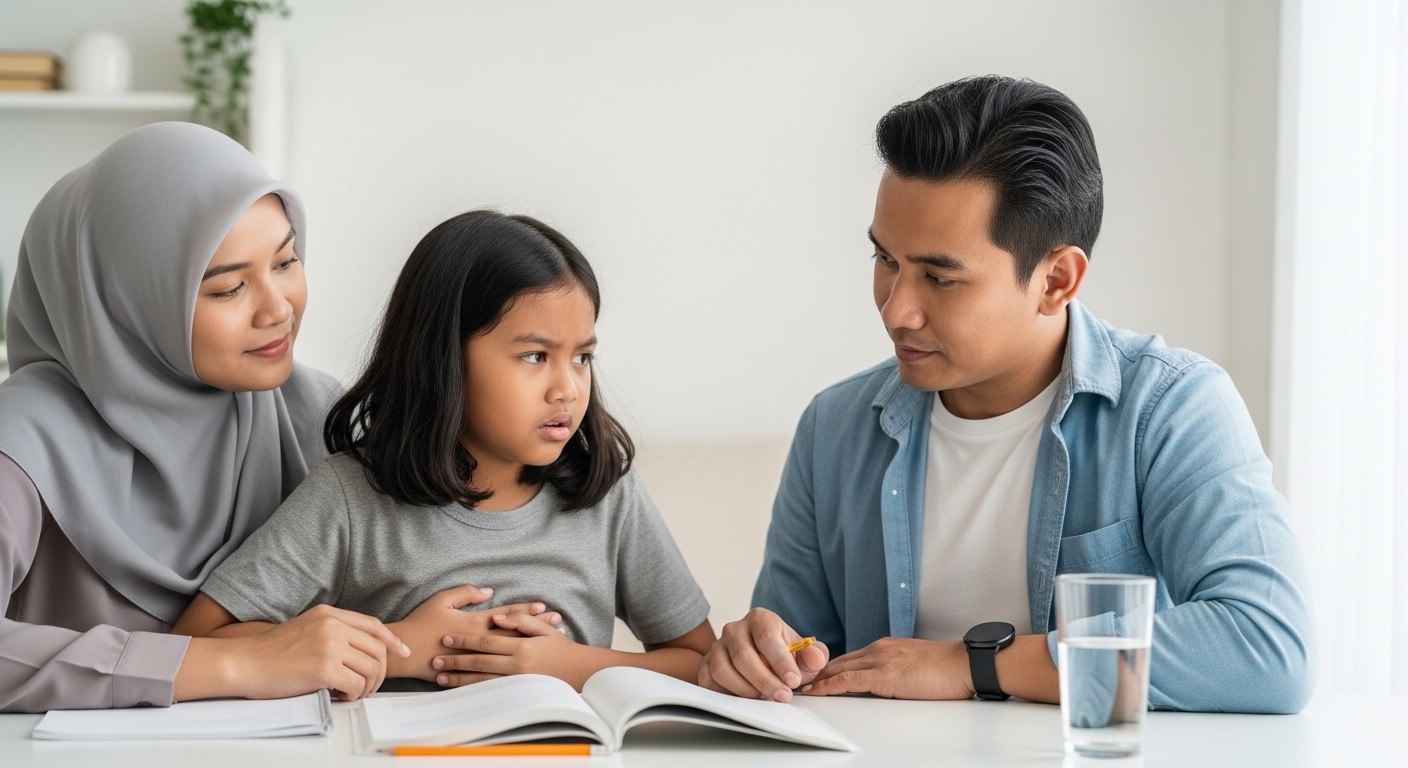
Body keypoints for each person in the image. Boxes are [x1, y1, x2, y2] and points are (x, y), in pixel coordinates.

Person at [699, 76, 1315, 713]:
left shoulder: (1171, 409)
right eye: (885, 261)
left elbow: (1268, 648)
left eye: (939, 277)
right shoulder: (835, 427)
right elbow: (797, 668)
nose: (895, 309)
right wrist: (758, 657)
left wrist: (971, 665)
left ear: (1056, 280)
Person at [0, 123, 551, 712]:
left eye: (286, 262)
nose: (278, 307)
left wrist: (414, 642)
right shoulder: (25, 436)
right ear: (127, 302)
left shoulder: (315, 414)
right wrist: (238, 660)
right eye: (228, 289)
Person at [175, 210, 716, 691]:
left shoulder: (608, 493)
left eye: (582, 358)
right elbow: (198, 642)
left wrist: (572, 667)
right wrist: (399, 647)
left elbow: (701, 661)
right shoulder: (349, 496)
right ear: (443, 360)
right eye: (534, 356)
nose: (567, 389)